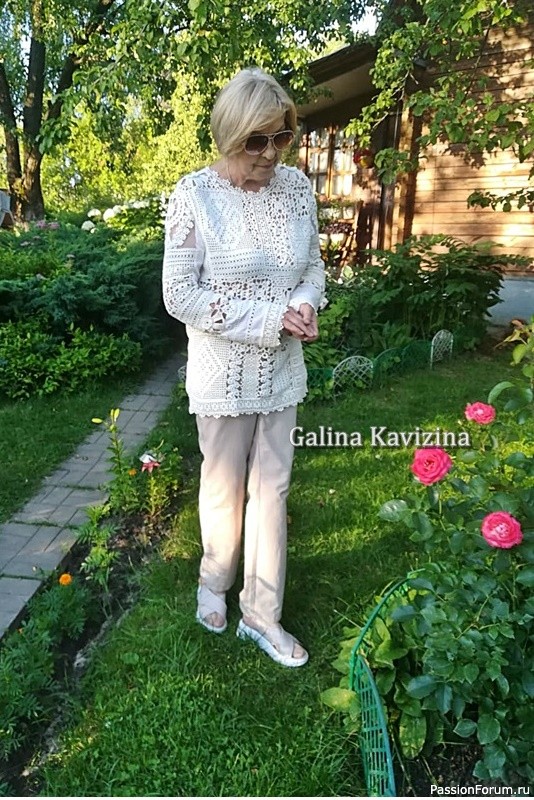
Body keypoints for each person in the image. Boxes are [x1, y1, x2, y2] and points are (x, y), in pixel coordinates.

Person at [162, 67, 325, 668]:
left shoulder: (297, 190)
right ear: (229, 135)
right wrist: (268, 317)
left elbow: (313, 266)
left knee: (272, 490)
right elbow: (180, 295)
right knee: (224, 487)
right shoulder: (194, 196)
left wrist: (304, 303)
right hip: (221, 375)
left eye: (281, 137)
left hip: (281, 372)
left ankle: (261, 613)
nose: (271, 153)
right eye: (257, 140)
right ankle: (214, 581)